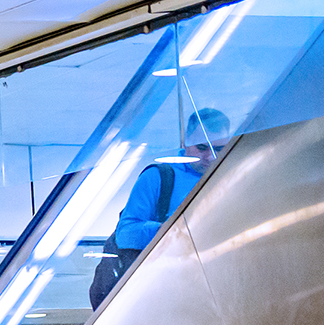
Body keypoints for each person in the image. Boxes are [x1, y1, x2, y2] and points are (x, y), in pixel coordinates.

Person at [92, 108, 231, 306]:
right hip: (160, 289)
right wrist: (172, 230)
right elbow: (126, 234)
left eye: (219, 149)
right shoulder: (159, 176)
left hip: (211, 287)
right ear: (186, 142)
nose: (210, 157)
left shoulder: (230, 175)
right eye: (202, 148)